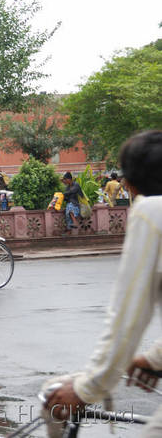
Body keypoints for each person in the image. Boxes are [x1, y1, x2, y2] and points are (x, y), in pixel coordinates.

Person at [43, 130, 162, 437]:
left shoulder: (151, 211)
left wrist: (87, 388)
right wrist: (154, 359)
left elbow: (127, 318)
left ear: (130, 184)